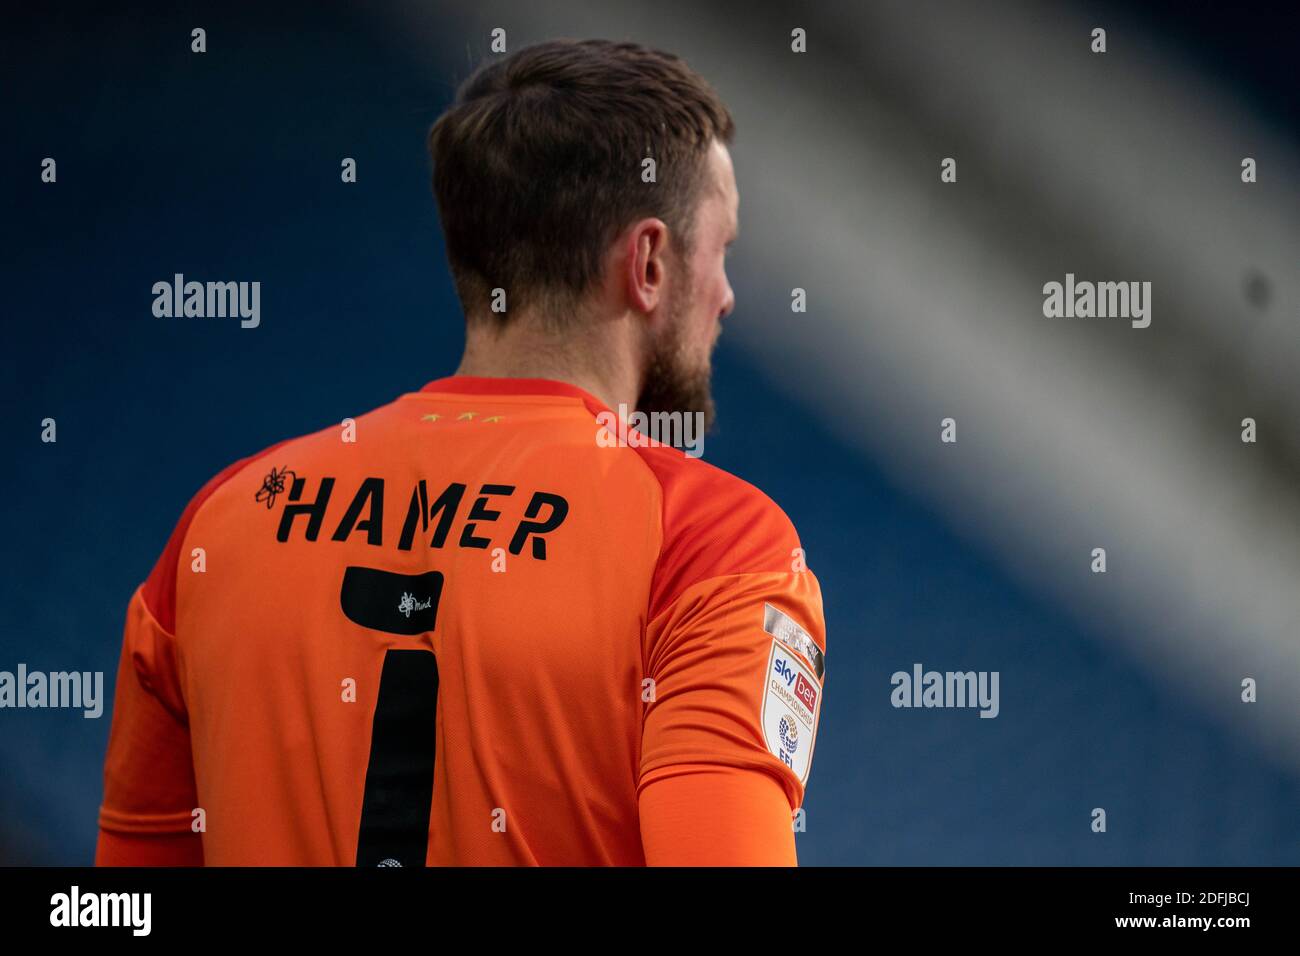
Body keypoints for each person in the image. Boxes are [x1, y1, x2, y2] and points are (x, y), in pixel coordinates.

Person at [96, 38, 826, 866]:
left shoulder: (222, 524)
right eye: (721, 251)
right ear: (650, 262)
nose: (728, 299)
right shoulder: (714, 546)